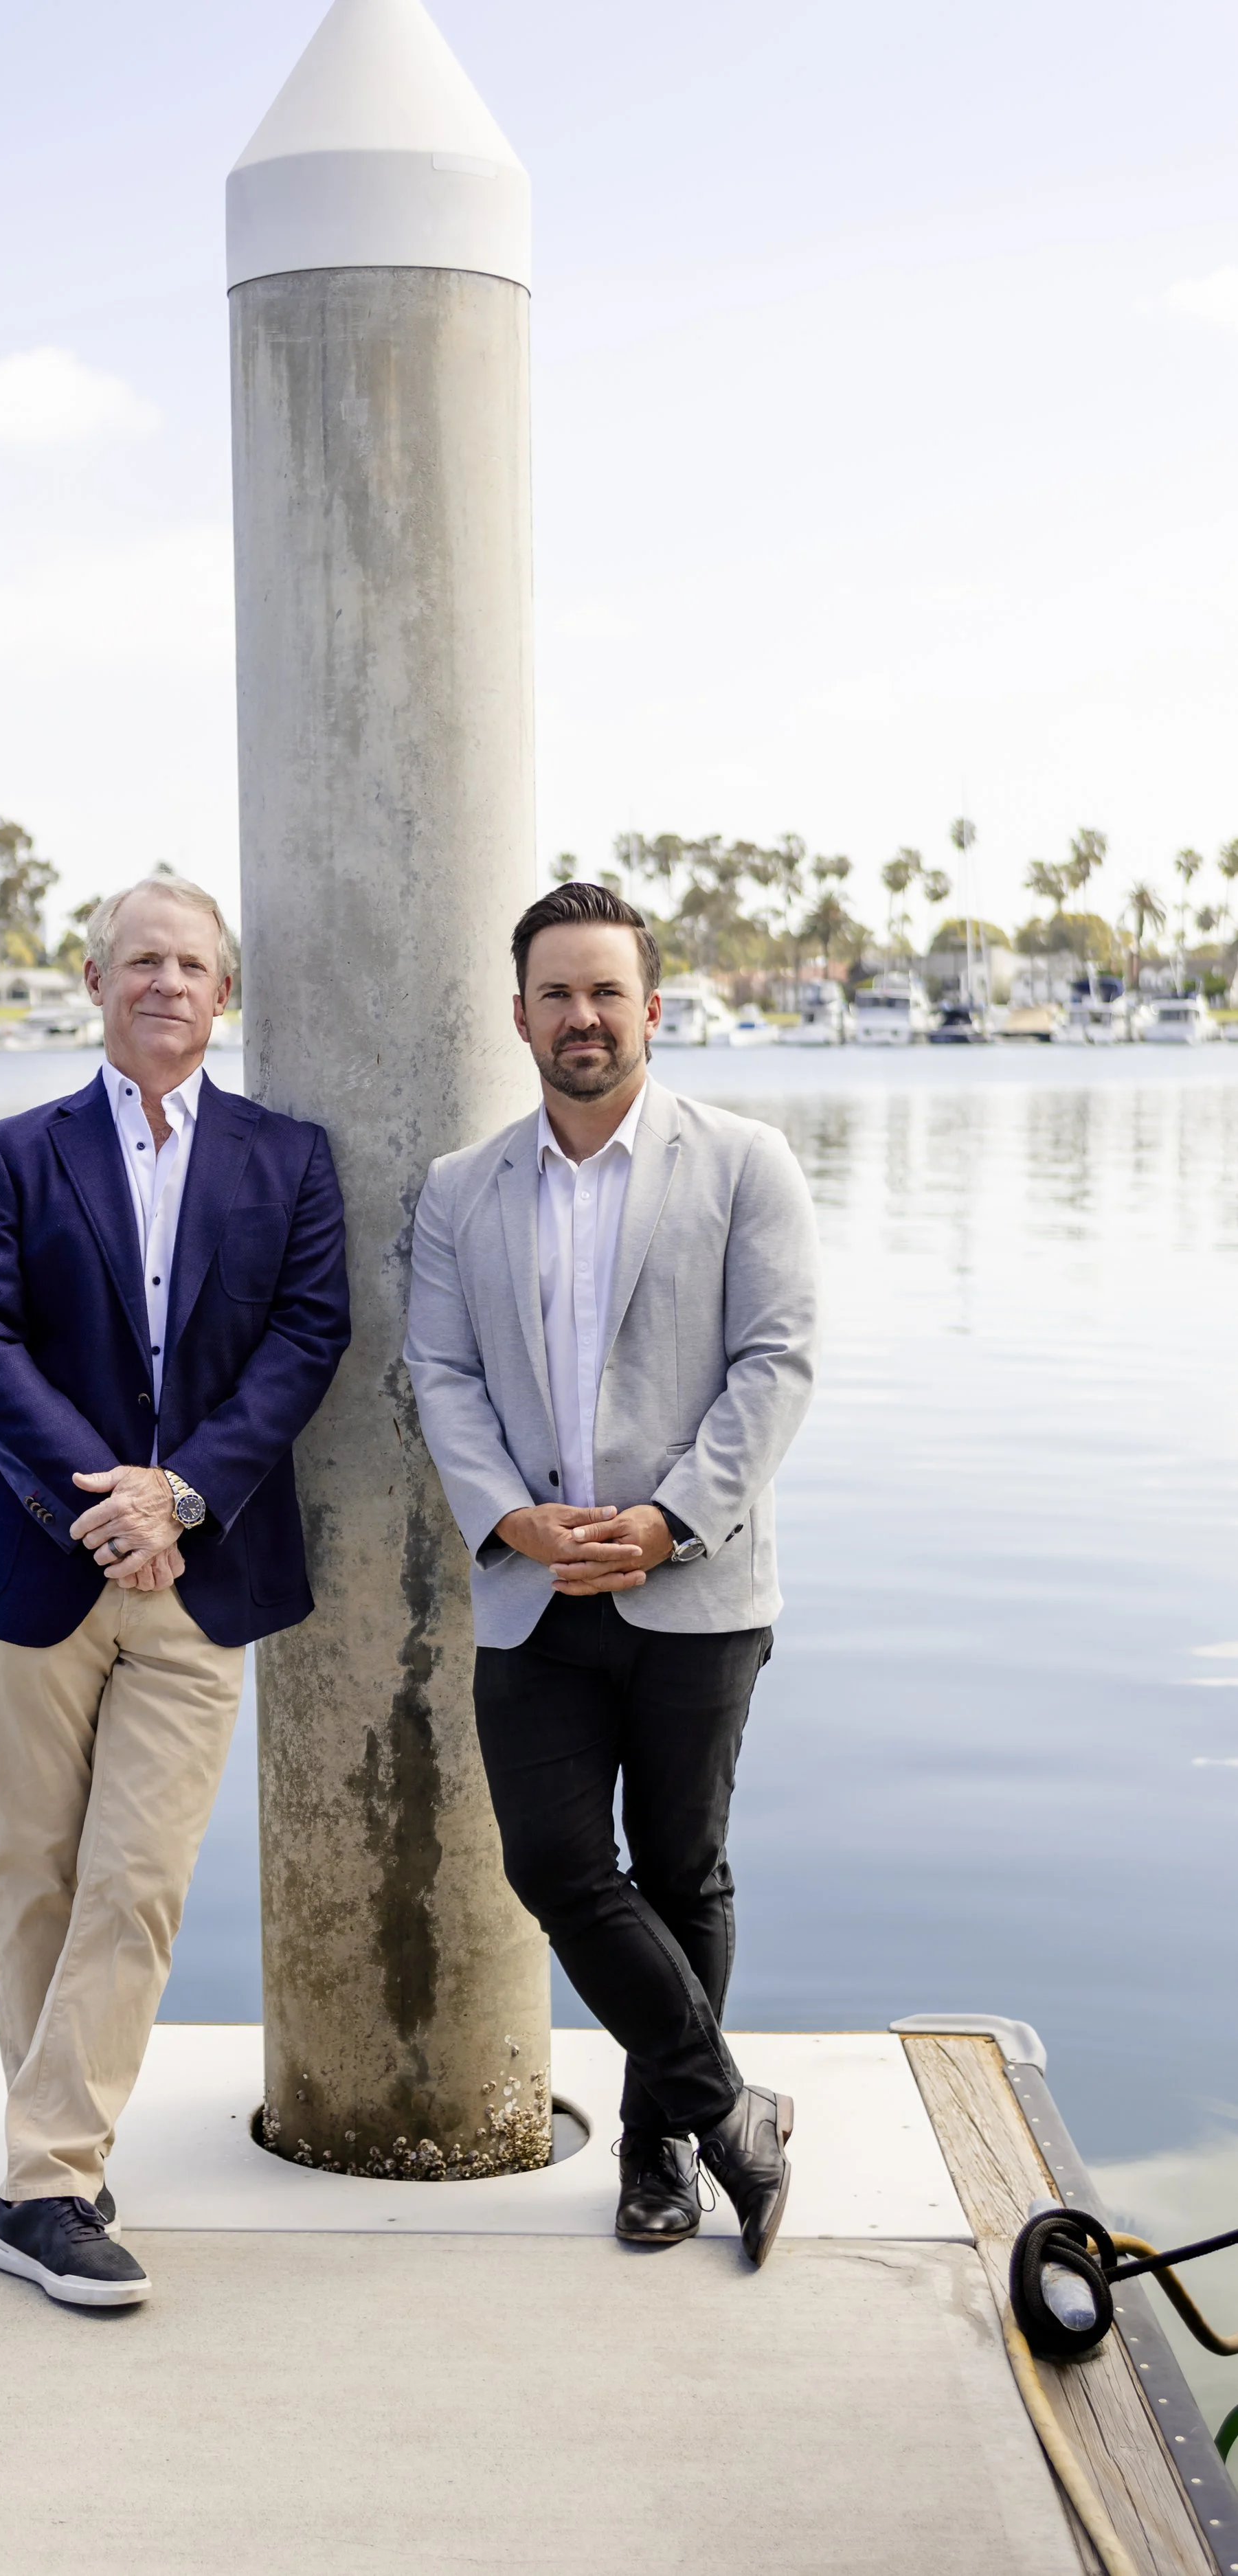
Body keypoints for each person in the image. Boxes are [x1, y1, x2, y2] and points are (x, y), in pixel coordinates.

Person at [0, 877, 349, 2309]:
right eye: (139, 961)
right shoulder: (12, 1154)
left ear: (221, 995)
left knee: (138, 1882)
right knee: (32, 1879)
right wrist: (102, 1500)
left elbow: (307, 1339)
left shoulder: (288, 1161)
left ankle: (40, 2183)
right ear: (97, 983)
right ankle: (60, 2163)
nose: (165, 981)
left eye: (190, 963)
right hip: (30, 1567)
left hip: (203, 1574)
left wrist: (176, 1497)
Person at [404, 881, 818, 2266]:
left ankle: (653, 2153)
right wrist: (512, 1516)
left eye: (604, 991)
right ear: (516, 1013)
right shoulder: (460, 1190)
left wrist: (664, 1521)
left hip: (694, 1589)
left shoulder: (745, 1163)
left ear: (652, 1006)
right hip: (531, 1592)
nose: (580, 1017)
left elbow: (775, 1364)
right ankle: (725, 2112)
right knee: (557, 1867)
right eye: (553, 994)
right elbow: (440, 1375)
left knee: (684, 1871)